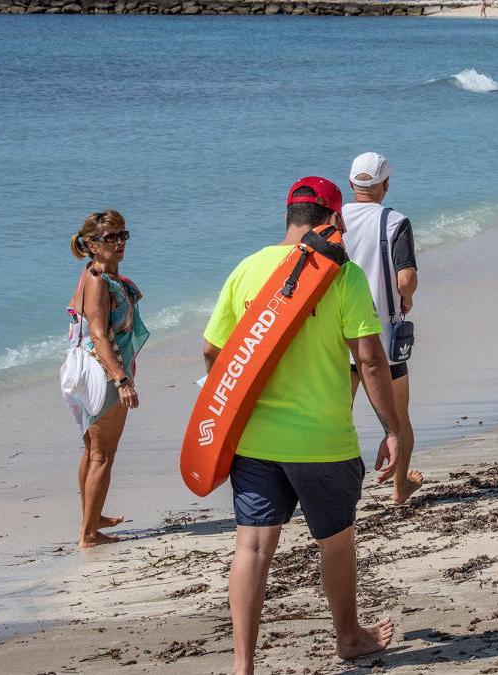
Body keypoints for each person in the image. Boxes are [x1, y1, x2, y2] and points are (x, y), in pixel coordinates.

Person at [202, 177, 404, 674]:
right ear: (333, 221)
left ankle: (243, 666)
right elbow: (371, 362)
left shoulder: (247, 270)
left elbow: (213, 353)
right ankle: (349, 639)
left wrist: (230, 409)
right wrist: (393, 429)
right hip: (322, 443)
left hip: (255, 441)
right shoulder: (344, 276)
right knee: (335, 542)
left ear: (289, 215)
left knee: (251, 546)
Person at [64, 209, 149, 548]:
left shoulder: (95, 273)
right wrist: (122, 380)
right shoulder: (98, 281)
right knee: (102, 455)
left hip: (82, 370)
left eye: (122, 235)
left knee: (91, 451)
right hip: (100, 374)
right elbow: (98, 334)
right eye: (110, 238)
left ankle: (93, 516)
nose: (119, 243)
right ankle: (88, 535)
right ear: (91, 245)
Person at [342, 152, 423, 505]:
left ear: (351, 185)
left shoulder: (334, 219)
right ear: (386, 184)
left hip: (337, 338)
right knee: (398, 418)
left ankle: (336, 492)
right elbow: (405, 278)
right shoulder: (395, 222)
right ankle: (400, 487)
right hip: (382, 339)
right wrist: (406, 300)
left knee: (335, 418)